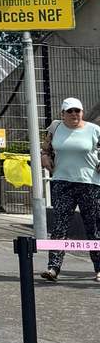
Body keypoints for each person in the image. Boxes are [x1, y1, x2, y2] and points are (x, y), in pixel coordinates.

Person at [40, 96, 100, 282]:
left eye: (77, 111)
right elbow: (46, 147)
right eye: (70, 111)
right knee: (59, 225)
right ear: (63, 113)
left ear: (82, 112)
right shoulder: (56, 128)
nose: (74, 114)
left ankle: (99, 269)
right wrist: (44, 156)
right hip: (62, 182)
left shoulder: (94, 130)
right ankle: (53, 268)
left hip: (89, 183)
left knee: (94, 226)